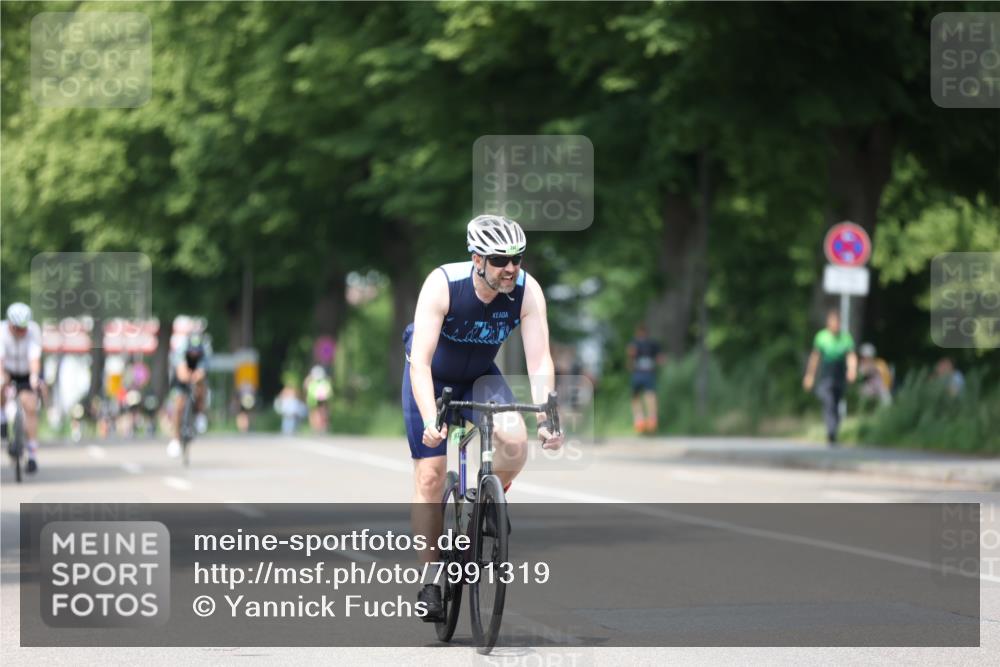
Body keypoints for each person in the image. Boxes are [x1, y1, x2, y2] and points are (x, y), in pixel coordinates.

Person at [402, 214, 564, 621]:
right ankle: (431, 577)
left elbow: (540, 358)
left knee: (515, 441)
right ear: (477, 258)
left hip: (478, 378)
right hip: (432, 379)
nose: (510, 268)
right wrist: (429, 419)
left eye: (517, 259)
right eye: (499, 259)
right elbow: (419, 363)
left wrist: (547, 416)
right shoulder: (443, 284)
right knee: (431, 475)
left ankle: (490, 498)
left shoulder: (526, 291)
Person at [802, 308, 857, 446]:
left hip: (839, 374)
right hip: (826, 375)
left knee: (837, 403)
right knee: (828, 402)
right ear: (828, 323)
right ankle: (831, 430)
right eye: (832, 322)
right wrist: (809, 376)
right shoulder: (821, 337)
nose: (835, 325)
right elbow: (815, 357)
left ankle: (833, 430)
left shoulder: (845, 338)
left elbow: (851, 355)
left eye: (837, 323)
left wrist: (852, 370)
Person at [0, 303, 43, 473]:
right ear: (10, 324)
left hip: (25, 371)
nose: (21, 332)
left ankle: (32, 455)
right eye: (18, 328)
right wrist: (2, 378)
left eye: (24, 328)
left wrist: (34, 377)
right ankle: (2, 419)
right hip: (8, 369)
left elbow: (34, 358)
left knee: (30, 406)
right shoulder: (1, 332)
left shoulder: (33, 330)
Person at [166, 333, 210, 457]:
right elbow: (181, 374)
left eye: (197, 352)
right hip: (181, 378)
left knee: (202, 387)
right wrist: (188, 376)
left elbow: (201, 372)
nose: (194, 354)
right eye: (192, 351)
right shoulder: (180, 353)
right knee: (178, 405)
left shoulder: (204, 355)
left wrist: (197, 377)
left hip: (196, 377)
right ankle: (175, 439)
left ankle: (200, 414)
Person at [627, 324, 665, 433]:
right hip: (646, 373)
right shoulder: (652, 343)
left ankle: (645, 419)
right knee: (646, 395)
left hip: (640, 373)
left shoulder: (635, 343)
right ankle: (646, 419)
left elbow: (631, 356)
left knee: (640, 395)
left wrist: (630, 364)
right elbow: (660, 359)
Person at [857, 342, 892, 407]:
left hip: (881, 387)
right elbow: (861, 374)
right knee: (861, 392)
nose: (863, 358)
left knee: (886, 398)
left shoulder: (879, 363)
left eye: (865, 357)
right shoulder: (863, 365)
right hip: (870, 388)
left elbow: (886, 375)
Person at [304, 365, 332, 432]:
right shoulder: (324, 381)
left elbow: (305, 388)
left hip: (316, 400)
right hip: (316, 400)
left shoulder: (312, 382)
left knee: (318, 413)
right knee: (319, 413)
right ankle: (318, 427)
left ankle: (319, 427)